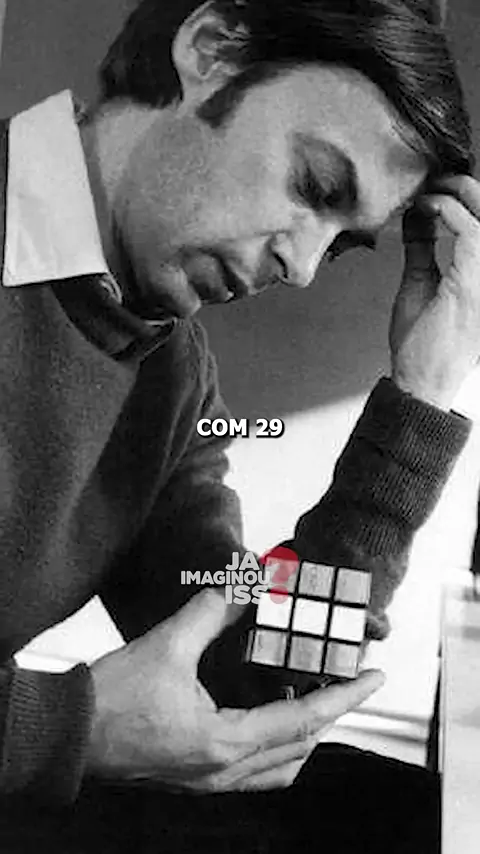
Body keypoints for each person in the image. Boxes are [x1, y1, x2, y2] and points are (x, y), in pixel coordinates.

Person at [0, 0, 480, 851]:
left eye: (340, 245)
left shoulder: (169, 371)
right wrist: (67, 728)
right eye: (316, 186)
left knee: (410, 821)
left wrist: (419, 399)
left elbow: (242, 679)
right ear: (212, 46)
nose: (303, 267)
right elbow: (76, 729)